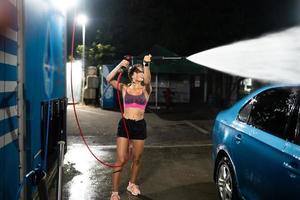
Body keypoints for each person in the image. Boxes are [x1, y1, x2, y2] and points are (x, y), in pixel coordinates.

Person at [106, 54, 152, 200]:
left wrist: (146, 64)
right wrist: (122, 64)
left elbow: (148, 79)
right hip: (125, 124)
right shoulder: (125, 88)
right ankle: (114, 192)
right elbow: (108, 79)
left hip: (139, 126)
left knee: (137, 158)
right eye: (138, 71)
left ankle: (132, 184)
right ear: (132, 76)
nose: (141, 74)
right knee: (120, 159)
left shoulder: (146, 90)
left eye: (142, 72)